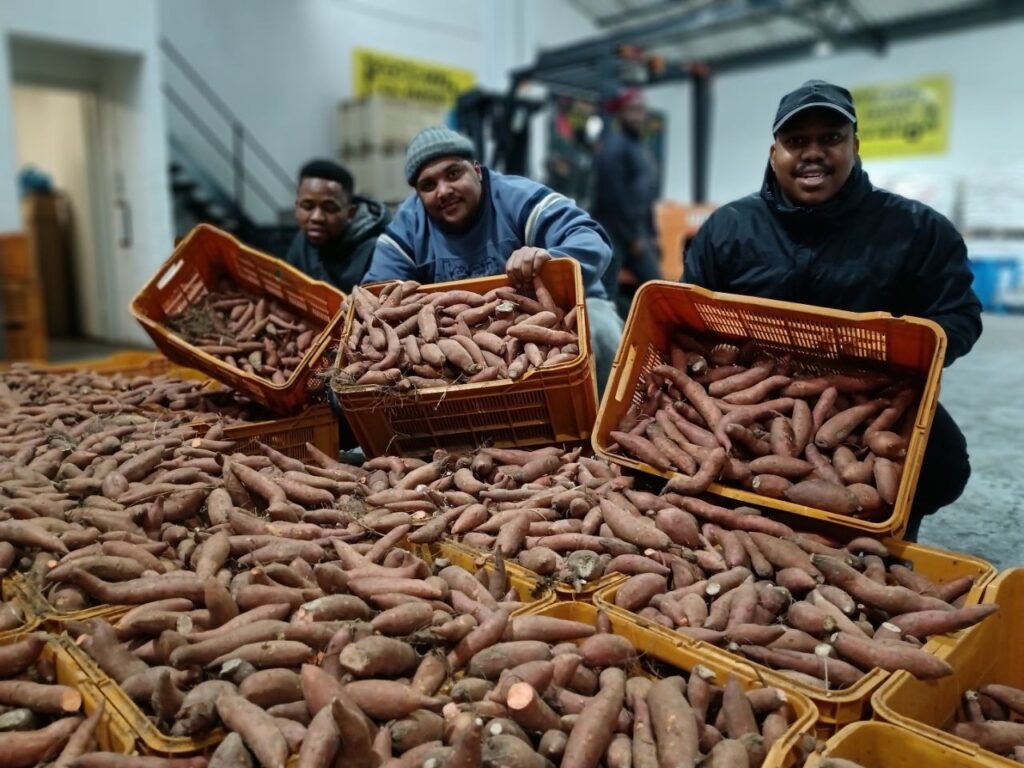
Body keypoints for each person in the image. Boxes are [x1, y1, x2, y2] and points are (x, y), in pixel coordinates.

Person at [683, 79, 982, 541]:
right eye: (796, 141)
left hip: (874, 397)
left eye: (830, 138)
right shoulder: (729, 228)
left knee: (942, 464)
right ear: (774, 152)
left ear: (855, 146)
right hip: (750, 394)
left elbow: (959, 317)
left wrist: (898, 353)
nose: (813, 153)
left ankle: (888, 534)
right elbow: (688, 313)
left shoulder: (918, 230)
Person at [363, 126, 623, 395]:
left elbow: (591, 239)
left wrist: (548, 256)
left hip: (559, 315)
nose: (443, 190)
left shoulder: (516, 196)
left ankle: (599, 428)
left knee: (600, 330)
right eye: (428, 185)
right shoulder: (409, 225)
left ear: (477, 170)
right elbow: (379, 291)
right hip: (466, 337)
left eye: (453, 173)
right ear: (418, 195)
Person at [591, 88, 661, 317]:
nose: (638, 116)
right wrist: (633, 237)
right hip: (614, 233)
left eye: (641, 110)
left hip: (636, 231)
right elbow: (614, 197)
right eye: (632, 110)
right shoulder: (614, 147)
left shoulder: (640, 147)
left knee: (658, 289)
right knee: (606, 294)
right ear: (620, 114)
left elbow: (646, 196)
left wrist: (651, 233)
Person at [283, 159, 389, 293]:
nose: (316, 217)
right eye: (307, 206)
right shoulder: (302, 239)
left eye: (329, 208)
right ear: (296, 206)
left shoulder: (375, 250)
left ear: (350, 213)